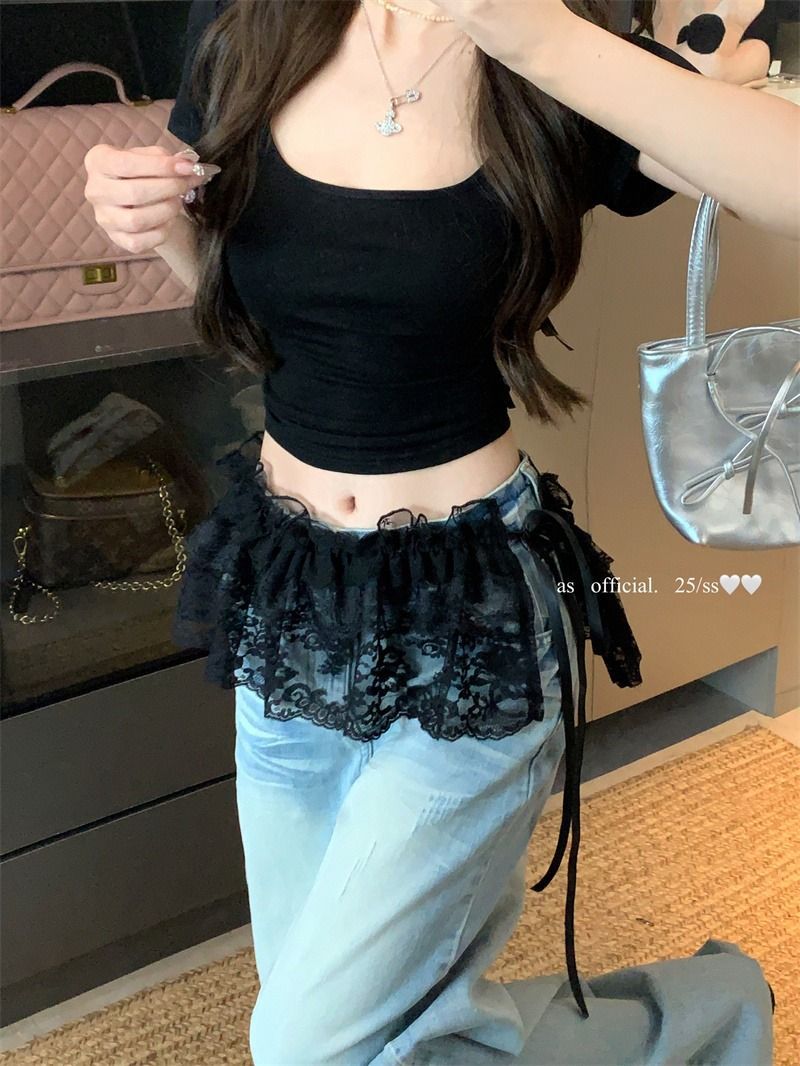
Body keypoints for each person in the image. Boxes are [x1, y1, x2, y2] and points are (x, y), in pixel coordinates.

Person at [84, 0, 788, 1061]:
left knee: (307, 1045)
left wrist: (540, 37)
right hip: (291, 591)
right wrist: (161, 225)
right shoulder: (250, 25)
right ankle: (714, 1008)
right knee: (361, 1026)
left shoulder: (543, 48)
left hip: (469, 612)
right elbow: (262, 328)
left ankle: (697, 1013)